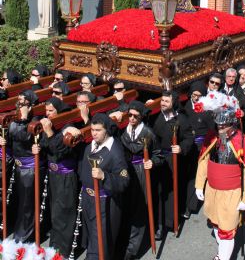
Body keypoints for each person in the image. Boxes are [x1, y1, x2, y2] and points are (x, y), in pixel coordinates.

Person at [195, 107, 245, 260]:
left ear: (232, 123)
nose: (220, 128)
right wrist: (199, 184)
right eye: (218, 125)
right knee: (216, 223)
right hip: (212, 191)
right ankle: (222, 252)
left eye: (224, 125)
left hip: (232, 193)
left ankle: (222, 257)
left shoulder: (241, 142)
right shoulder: (212, 137)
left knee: (227, 230)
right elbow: (204, 161)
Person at [78, 113, 130, 260]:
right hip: (88, 201)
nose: (94, 133)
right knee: (91, 240)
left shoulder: (115, 152)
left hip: (104, 205)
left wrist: (104, 176)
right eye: (92, 130)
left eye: (98, 130)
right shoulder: (90, 147)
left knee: (100, 244)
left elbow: (124, 181)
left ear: (106, 130)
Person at [33, 97, 76, 258]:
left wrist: (49, 132)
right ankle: (54, 246)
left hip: (65, 176)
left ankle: (63, 250)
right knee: (55, 212)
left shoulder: (67, 127)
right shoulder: (49, 125)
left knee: (65, 212)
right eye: (46, 111)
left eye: (51, 111)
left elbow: (60, 150)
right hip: (53, 175)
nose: (48, 114)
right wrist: (37, 147)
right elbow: (46, 147)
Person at [0, 89, 44, 242]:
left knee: (27, 204)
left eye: (23, 101)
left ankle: (23, 237)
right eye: (18, 100)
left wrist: (25, 118)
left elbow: (23, 136)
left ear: (30, 105)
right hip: (17, 166)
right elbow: (11, 137)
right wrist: (3, 142)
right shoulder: (17, 117)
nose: (19, 104)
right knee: (17, 200)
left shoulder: (35, 120)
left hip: (29, 168)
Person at [121, 100, 162, 260]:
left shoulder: (148, 134)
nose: (131, 118)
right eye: (129, 115)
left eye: (135, 116)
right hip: (126, 172)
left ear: (141, 118)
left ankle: (133, 249)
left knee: (139, 208)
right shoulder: (123, 132)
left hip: (140, 172)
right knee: (127, 207)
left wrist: (153, 162)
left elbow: (158, 154)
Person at [152, 90, 193, 239]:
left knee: (172, 193)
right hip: (159, 160)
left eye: (166, 101)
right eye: (162, 101)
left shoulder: (181, 119)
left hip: (174, 161)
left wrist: (181, 147)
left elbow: (189, 138)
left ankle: (171, 222)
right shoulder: (157, 118)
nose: (163, 103)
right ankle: (160, 224)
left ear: (173, 103)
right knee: (160, 193)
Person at [184, 80, 214, 219]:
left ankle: (191, 205)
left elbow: (211, 129)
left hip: (202, 146)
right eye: (194, 94)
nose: (195, 97)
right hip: (188, 146)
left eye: (198, 95)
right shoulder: (185, 108)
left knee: (198, 175)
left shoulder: (207, 110)